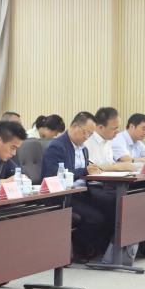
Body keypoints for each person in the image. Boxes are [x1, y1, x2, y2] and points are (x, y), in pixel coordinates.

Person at [40, 111, 112, 259]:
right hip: (64, 196)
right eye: (86, 132)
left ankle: (103, 250)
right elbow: (53, 175)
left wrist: (94, 171)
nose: (87, 137)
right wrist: (84, 170)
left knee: (113, 205)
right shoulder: (58, 146)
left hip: (83, 191)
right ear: (74, 127)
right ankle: (81, 251)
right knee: (95, 217)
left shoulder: (84, 149)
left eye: (90, 134)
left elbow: (85, 172)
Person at [83, 107, 138, 172]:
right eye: (114, 128)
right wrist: (116, 167)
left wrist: (122, 166)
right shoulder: (86, 141)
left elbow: (110, 163)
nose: (117, 131)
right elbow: (89, 168)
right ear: (100, 127)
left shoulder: (108, 139)